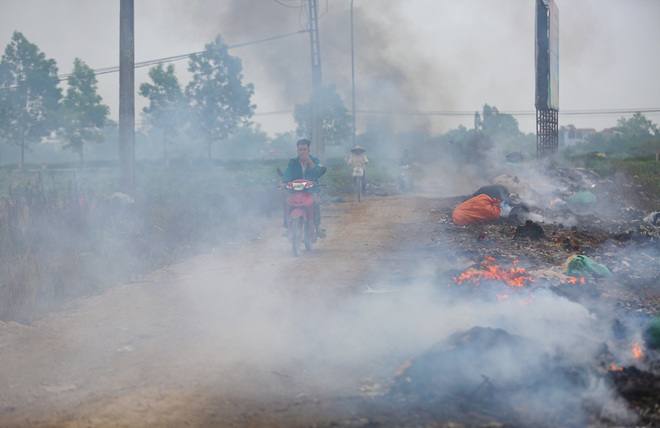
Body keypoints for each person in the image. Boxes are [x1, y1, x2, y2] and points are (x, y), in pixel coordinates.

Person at [282, 138, 325, 238]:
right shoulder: (293, 162)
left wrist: (309, 161)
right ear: (297, 151)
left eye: (305, 149)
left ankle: (317, 228)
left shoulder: (315, 160)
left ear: (308, 150)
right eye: (300, 149)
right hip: (295, 190)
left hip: (311, 190)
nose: (302, 152)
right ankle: (287, 227)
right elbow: (287, 173)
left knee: (315, 201)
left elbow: (318, 171)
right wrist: (285, 182)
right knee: (286, 202)